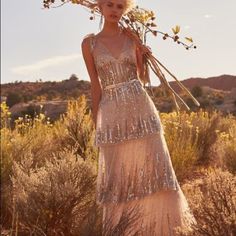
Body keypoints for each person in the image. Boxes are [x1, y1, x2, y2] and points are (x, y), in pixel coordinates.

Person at [81, 0, 197, 235]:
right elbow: (95, 85)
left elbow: (142, 78)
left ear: (125, 10)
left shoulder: (132, 37)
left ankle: (163, 228)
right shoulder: (89, 43)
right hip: (111, 112)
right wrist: (97, 121)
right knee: (120, 175)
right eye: (110, 5)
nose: (115, 10)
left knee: (155, 167)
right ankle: (126, 230)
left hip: (140, 108)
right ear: (100, 8)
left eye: (120, 6)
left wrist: (143, 55)